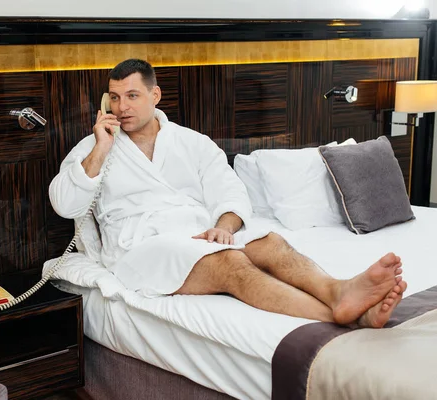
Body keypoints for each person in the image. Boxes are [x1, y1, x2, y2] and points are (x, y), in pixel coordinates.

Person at [49, 59, 406, 329]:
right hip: (139, 249)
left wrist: (224, 226)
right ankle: (342, 319)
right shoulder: (94, 147)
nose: (121, 107)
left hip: (198, 233)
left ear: (154, 95)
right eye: (114, 97)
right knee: (231, 263)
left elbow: (230, 191)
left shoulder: (192, 143)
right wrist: (100, 148)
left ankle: (339, 291)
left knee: (270, 242)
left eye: (131, 96)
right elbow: (65, 204)